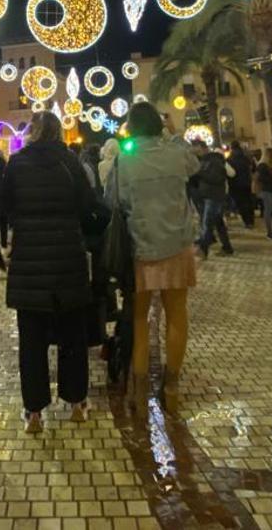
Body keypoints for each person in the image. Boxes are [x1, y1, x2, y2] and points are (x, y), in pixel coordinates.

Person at [1, 111, 93, 432]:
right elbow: (87, 203)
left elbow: (6, 204)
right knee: (72, 334)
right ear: (58, 132)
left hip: (29, 260)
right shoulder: (70, 162)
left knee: (32, 338)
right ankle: (76, 401)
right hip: (67, 257)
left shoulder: (17, 163)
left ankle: (34, 411)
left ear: (31, 132)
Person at [108, 102, 200, 409]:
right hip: (177, 243)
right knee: (177, 314)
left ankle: (139, 386)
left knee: (139, 318)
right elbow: (194, 164)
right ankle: (171, 387)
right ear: (158, 126)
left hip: (141, 246)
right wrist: (174, 135)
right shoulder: (175, 153)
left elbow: (115, 200)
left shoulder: (125, 159)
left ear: (131, 127)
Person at [192, 142, 233, 257]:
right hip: (208, 195)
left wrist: (200, 173)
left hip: (214, 196)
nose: (194, 151)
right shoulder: (204, 161)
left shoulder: (214, 161)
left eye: (196, 148)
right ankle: (227, 247)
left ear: (202, 148)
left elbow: (217, 178)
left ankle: (203, 249)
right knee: (218, 223)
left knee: (207, 223)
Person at [255, 149, 272, 240]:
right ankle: (269, 232)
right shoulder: (262, 166)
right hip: (267, 190)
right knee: (269, 211)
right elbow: (260, 179)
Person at [227, 144, 255, 229]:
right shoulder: (245, 158)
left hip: (235, 185)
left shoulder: (230, 160)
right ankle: (251, 220)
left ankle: (247, 221)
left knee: (241, 204)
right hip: (246, 183)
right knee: (248, 202)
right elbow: (252, 168)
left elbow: (229, 173)